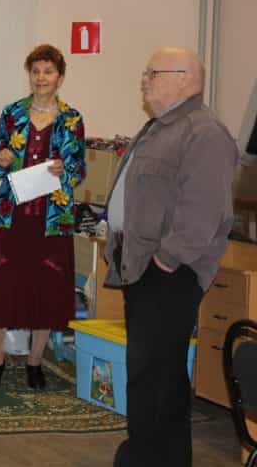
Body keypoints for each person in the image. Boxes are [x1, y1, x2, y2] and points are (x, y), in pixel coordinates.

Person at [105, 47, 238, 467]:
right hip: (143, 265)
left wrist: (166, 260)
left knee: (155, 374)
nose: (144, 79)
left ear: (182, 77)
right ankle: (161, 457)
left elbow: (203, 211)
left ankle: (145, 457)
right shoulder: (161, 126)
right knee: (154, 372)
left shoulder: (205, 132)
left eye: (152, 72)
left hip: (168, 272)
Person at [0, 44, 86, 390]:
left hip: (53, 218)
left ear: (60, 77)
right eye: (36, 71)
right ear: (30, 75)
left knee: (48, 288)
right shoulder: (12, 114)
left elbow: (79, 169)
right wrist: (4, 160)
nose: (41, 78)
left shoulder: (72, 119)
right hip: (14, 216)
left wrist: (63, 168)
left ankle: (35, 362)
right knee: (6, 285)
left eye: (48, 71)